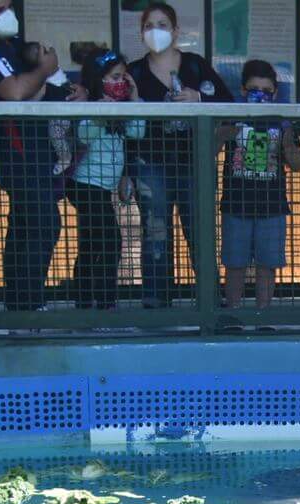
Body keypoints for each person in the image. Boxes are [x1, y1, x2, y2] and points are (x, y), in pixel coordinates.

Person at [0, 0, 80, 313]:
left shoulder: (15, 44)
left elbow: (45, 87)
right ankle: (28, 305)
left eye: (8, 5)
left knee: (25, 226)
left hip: (40, 152)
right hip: (15, 154)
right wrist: (45, 69)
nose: (7, 13)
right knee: (44, 223)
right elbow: (14, 91)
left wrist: (71, 91)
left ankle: (17, 307)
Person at [128, 2, 233, 307]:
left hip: (194, 163)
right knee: (155, 231)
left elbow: (227, 100)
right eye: (149, 26)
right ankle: (157, 304)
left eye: (162, 25)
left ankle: (209, 303)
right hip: (150, 164)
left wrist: (198, 97)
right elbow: (122, 124)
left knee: (200, 230)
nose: (155, 32)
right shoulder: (134, 71)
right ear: (141, 32)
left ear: (175, 31)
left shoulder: (195, 65)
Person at [62, 52, 146, 310]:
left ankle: (85, 302)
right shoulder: (89, 105)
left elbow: (137, 131)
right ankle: (105, 304)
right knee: (110, 241)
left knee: (91, 244)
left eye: (123, 76)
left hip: (104, 187)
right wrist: (102, 110)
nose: (121, 82)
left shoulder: (122, 109)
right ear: (99, 80)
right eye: (115, 77)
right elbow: (85, 135)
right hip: (85, 185)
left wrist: (133, 99)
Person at [223, 59, 300, 318]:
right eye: (254, 89)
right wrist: (227, 129)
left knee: (267, 264)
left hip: (272, 205)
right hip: (236, 203)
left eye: (266, 91)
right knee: (235, 263)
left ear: (275, 93)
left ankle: (263, 316)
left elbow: (298, 164)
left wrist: (287, 139)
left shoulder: (281, 120)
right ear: (243, 91)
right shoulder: (231, 115)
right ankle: (233, 313)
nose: (260, 95)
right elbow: (210, 148)